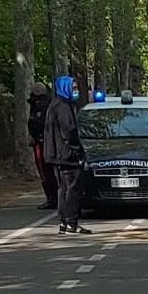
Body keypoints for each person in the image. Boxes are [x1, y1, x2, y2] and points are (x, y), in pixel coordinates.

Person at [44, 75, 91, 234]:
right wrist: (77, 151)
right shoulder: (63, 107)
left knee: (63, 188)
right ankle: (71, 221)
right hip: (67, 155)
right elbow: (68, 132)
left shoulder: (55, 105)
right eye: (74, 88)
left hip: (57, 155)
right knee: (72, 188)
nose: (76, 91)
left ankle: (64, 222)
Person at [28, 82, 57, 209]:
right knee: (50, 171)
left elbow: (36, 123)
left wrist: (35, 136)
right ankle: (54, 197)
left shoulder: (40, 105)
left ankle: (51, 198)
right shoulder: (50, 103)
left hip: (41, 142)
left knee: (45, 171)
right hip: (48, 142)